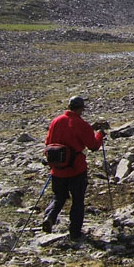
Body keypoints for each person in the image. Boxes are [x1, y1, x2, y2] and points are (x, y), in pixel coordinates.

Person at [43, 95, 105, 240]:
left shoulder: (56, 121)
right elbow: (93, 146)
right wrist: (100, 134)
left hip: (57, 169)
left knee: (59, 197)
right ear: (80, 108)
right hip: (76, 169)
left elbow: (48, 142)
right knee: (77, 201)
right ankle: (75, 233)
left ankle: (50, 217)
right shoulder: (80, 124)